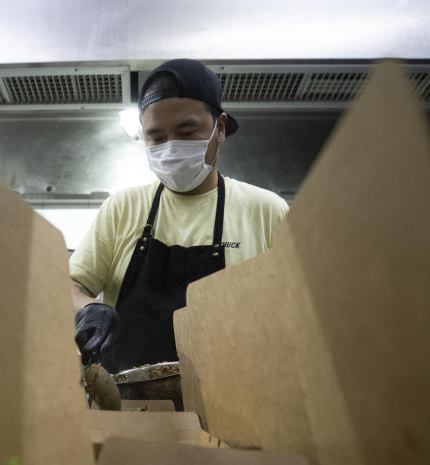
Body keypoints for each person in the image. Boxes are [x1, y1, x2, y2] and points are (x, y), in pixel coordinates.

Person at [70, 59, 289, 374]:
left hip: (239, 406)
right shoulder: (122, 207)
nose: (171, 149)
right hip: (129, 408)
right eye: (157, 138)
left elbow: (297, 315)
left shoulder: (268, 210)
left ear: (221, 128)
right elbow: (70, 285)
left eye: (187, 132)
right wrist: (86, 310)